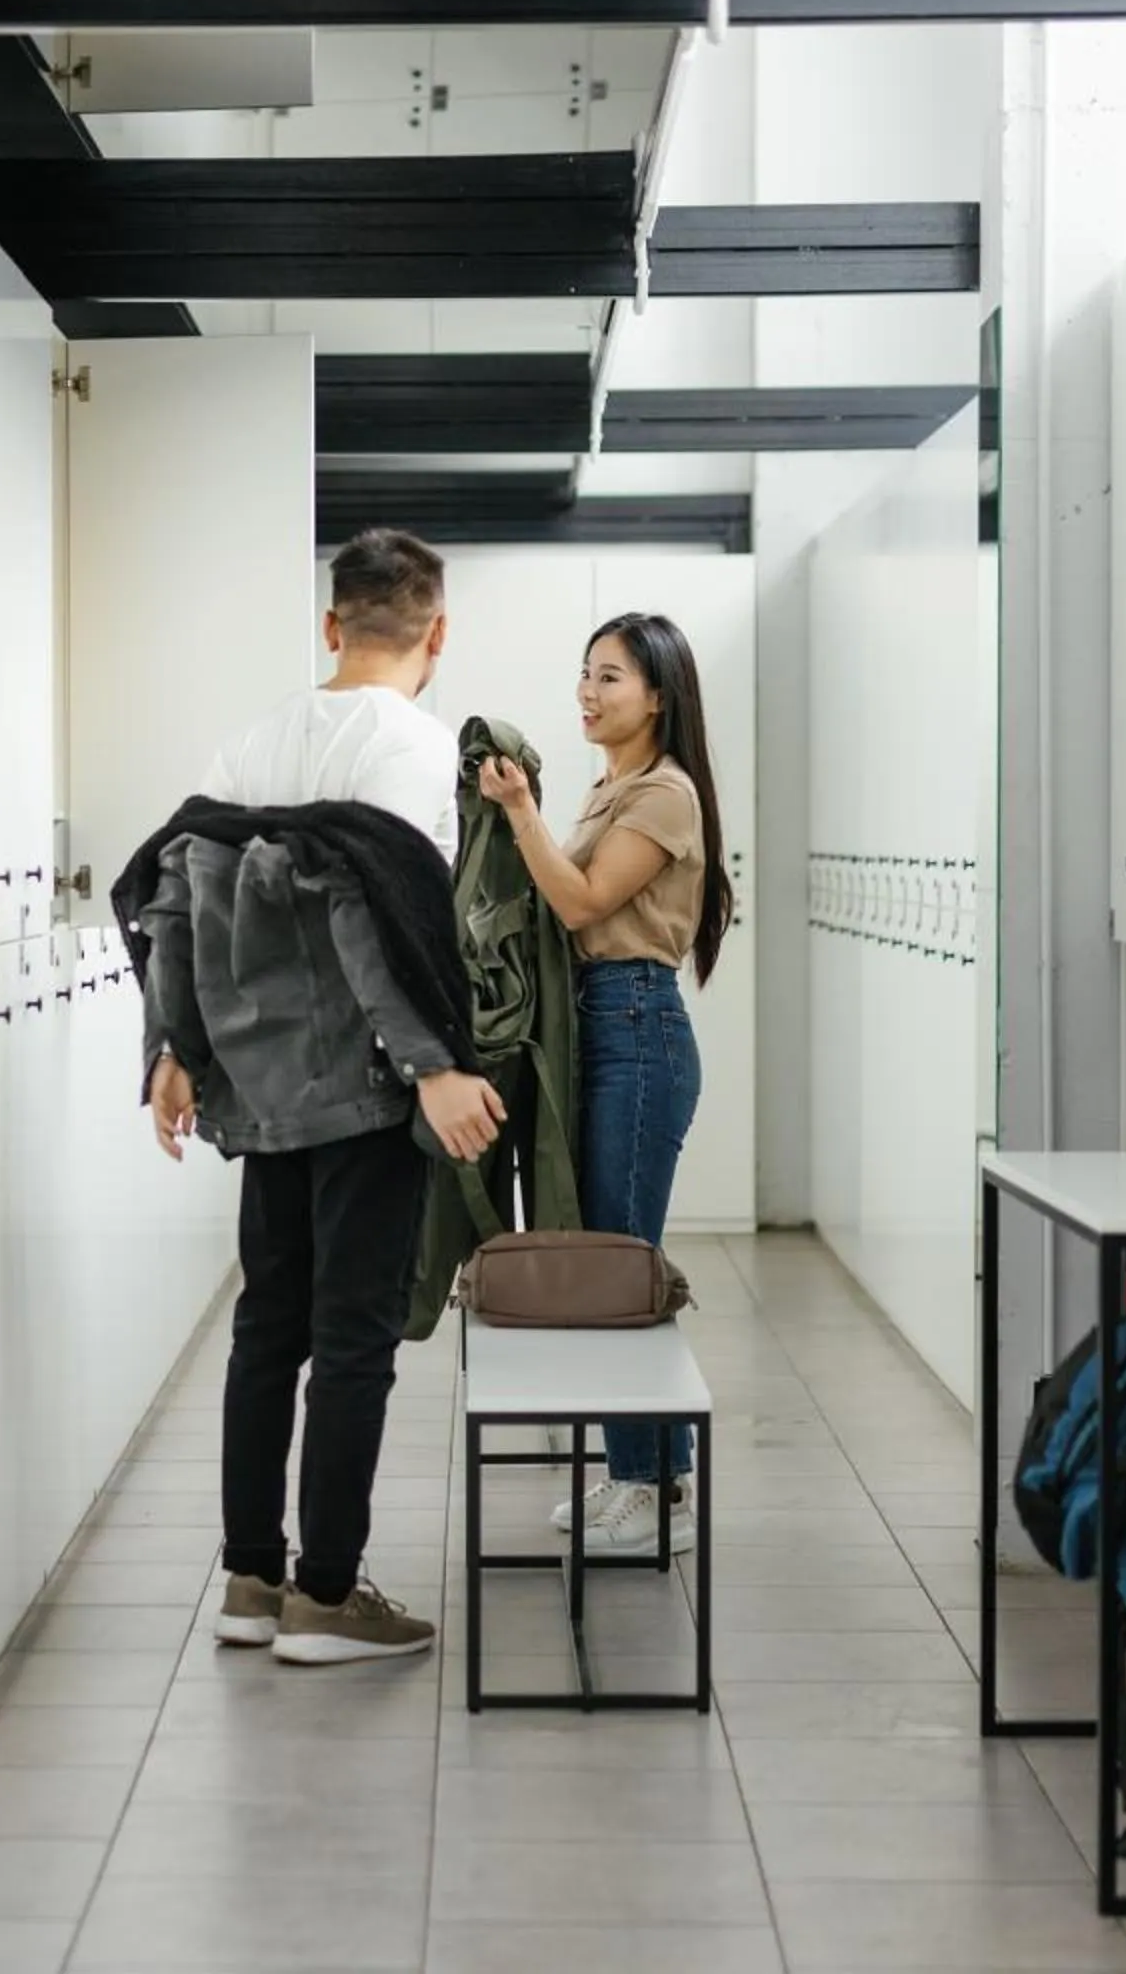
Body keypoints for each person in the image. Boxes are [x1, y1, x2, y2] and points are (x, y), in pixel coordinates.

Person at [115, 527, 509, 1666]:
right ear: (436, 634)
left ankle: (251, 1576)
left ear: (332, 624)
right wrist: (434, 1063)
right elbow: (370, 911)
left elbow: (175, 901)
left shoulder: (252, 744)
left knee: (265, 1330)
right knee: (351, 1339)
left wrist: (173, 1049)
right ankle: (327, 1593)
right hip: (364, 1089)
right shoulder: (414, 745)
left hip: (257, 1086)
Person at [479, 611, 735, 1559]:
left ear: (659, 695)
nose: (588, 692)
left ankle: (651, 1484)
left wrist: (519, 813)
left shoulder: (665, 796)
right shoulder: (607, 789)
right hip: (599, 1024)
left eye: (612, 678)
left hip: (636, 1026)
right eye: (585, 674)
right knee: (604, 1259)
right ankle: (643, 1471)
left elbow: (582, 903)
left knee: (622, 1267)